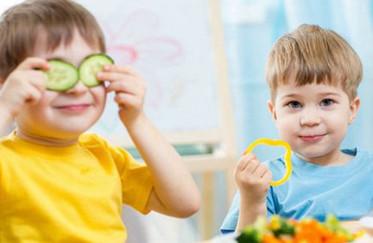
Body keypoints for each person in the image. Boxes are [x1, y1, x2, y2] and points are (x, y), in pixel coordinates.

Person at [0, 0, 200, 242]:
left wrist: (137, 120)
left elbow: (185, 203)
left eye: (89, 69)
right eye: (54, 72)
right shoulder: (6, 161)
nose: (77, 87)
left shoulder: (103, 155)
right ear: (7, 84)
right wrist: (4, 107)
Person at [220, 24, 373, 234]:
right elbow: (245, 239)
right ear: (274, 113)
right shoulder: (265, 182)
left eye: (326, 102)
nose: (309, 120)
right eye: (294, 104)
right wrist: (252, 201)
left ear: (352, 109)